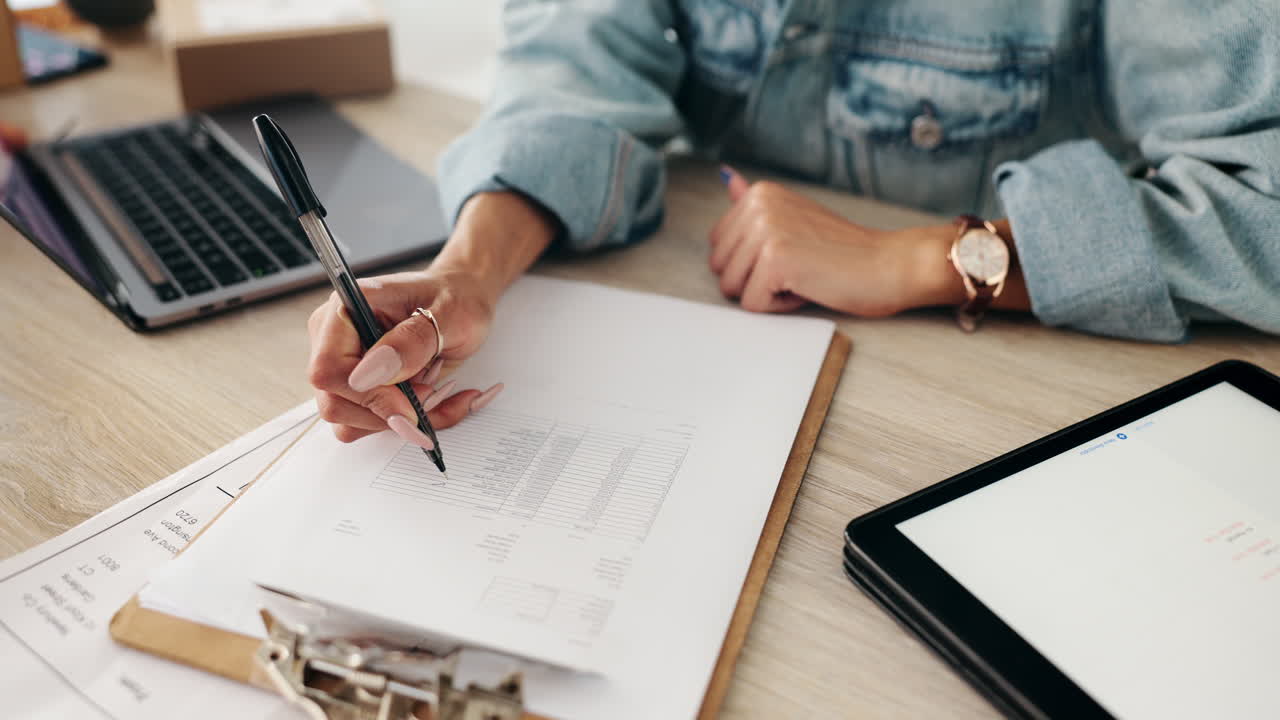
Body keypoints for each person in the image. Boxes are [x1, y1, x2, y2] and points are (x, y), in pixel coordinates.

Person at [307, 1, 1280, 447]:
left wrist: (926, 258)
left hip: (1019, 404)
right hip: (719, 333)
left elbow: (1263, 197)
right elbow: (572, 62)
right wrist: (470, 270)